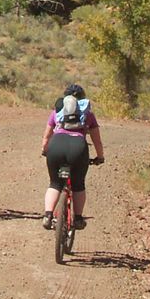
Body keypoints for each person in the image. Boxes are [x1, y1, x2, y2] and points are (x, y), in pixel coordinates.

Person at [40, 83, 104, 229]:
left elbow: (46, 137)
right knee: (78, 184)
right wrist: (100, 157)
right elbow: (97, 141)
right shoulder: (88, 114)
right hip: (78, 148)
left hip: (56, 146)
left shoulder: (57, 111)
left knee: (55, 183)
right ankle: (78, 219)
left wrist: (45, 150)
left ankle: (48, 215)